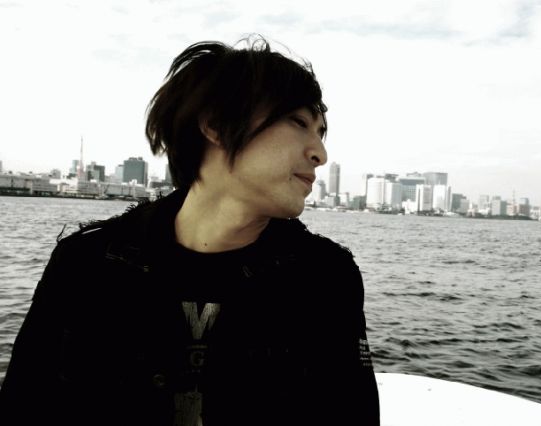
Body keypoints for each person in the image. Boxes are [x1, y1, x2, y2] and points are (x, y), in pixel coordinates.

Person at [0, 36, 379, 425]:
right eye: (299, 123)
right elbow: (23, 405)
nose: (320, 153)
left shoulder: (325, 277)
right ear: (215, 124)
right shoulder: (89, 264)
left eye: (320, 132)